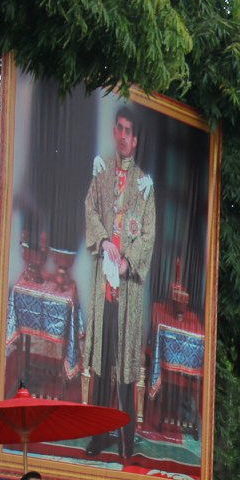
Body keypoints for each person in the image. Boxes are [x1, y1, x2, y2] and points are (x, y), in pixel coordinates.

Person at [83, 106, 155, 460]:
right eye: (120, 129)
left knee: (126, 367)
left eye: (130, 132)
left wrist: (127, 263)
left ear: (136, 140)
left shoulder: (144, 186)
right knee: (100, 365)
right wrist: (104, 241)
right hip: (103, 289)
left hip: (127, 289)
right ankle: (97, 437)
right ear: (114, 131)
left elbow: (148, 235)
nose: (124, 136)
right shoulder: (102, 172)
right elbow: (90, 209)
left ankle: (127, 442)